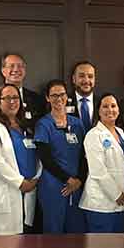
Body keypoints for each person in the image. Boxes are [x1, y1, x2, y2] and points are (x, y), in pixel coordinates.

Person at [0, 84, 41, 235]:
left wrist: (35, 178)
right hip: (6, 193)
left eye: (15, 97)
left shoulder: (26, 127)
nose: (12, 101)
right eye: (7, 98)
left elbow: (38, 155)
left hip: (28, 191)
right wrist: (19, 182)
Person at [35, 79, 87, 233]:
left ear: (67, 97)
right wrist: (68, 180)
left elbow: (85, 155)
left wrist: (79, 180)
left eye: (62, 94)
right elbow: (46, 159)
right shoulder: (43, 124)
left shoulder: (77, 123)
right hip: (54, 186)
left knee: (76, 231)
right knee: (54, 231)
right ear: (47, 98)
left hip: (76, 186)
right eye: (54, 95)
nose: (59, 99)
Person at [80, 93, 124, 233]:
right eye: (105, 106)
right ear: (98, 111)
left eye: (113, 106)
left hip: (121, 203)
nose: (110, 109)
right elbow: (98, 171)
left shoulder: (121, 133)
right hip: (101, 204)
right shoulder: (93, 135)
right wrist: (117, 195)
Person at [0, 52, 45, 148]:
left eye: (20, 66)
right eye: (11, 66)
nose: (16, 69)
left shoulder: (36, 99)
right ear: (3, 71)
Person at [67, 61, 100, 133]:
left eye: (90, 76)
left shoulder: (102, 103)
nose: (86, 80)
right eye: (81, 76)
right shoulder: (64, 102)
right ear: (74, 79)